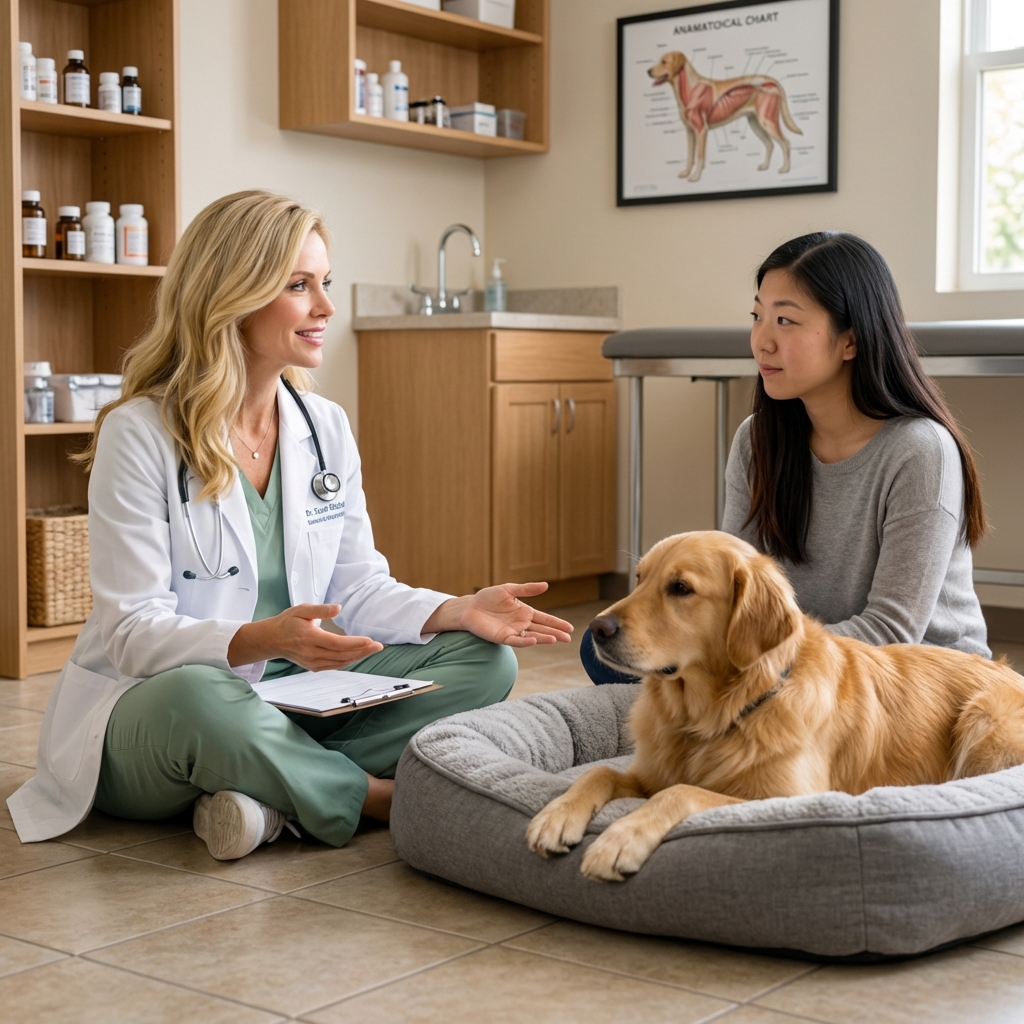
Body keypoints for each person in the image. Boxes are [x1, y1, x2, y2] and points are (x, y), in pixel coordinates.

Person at [8, 190, 572, 858]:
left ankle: (264, 798)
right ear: (232, 294)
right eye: (299, 286)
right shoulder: (140, 434)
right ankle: (375, 797)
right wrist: (261, 638)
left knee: (484, 660)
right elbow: (132, 634)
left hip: (286, 702)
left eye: (324, 283)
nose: (326, 308)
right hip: (154, 713)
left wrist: (459, 608)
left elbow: (358, 589)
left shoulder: (323, 426)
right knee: (201, 695)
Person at [582, 231, 989, 685]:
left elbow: (891, 632)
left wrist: (748, 660)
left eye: (786, 322)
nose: (762, 341)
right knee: (604, 648)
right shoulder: (757, 440)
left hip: (915, 682)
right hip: (791, 663)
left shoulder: (920, 451)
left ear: (850, 341)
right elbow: (730, 590)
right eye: (757, 317)